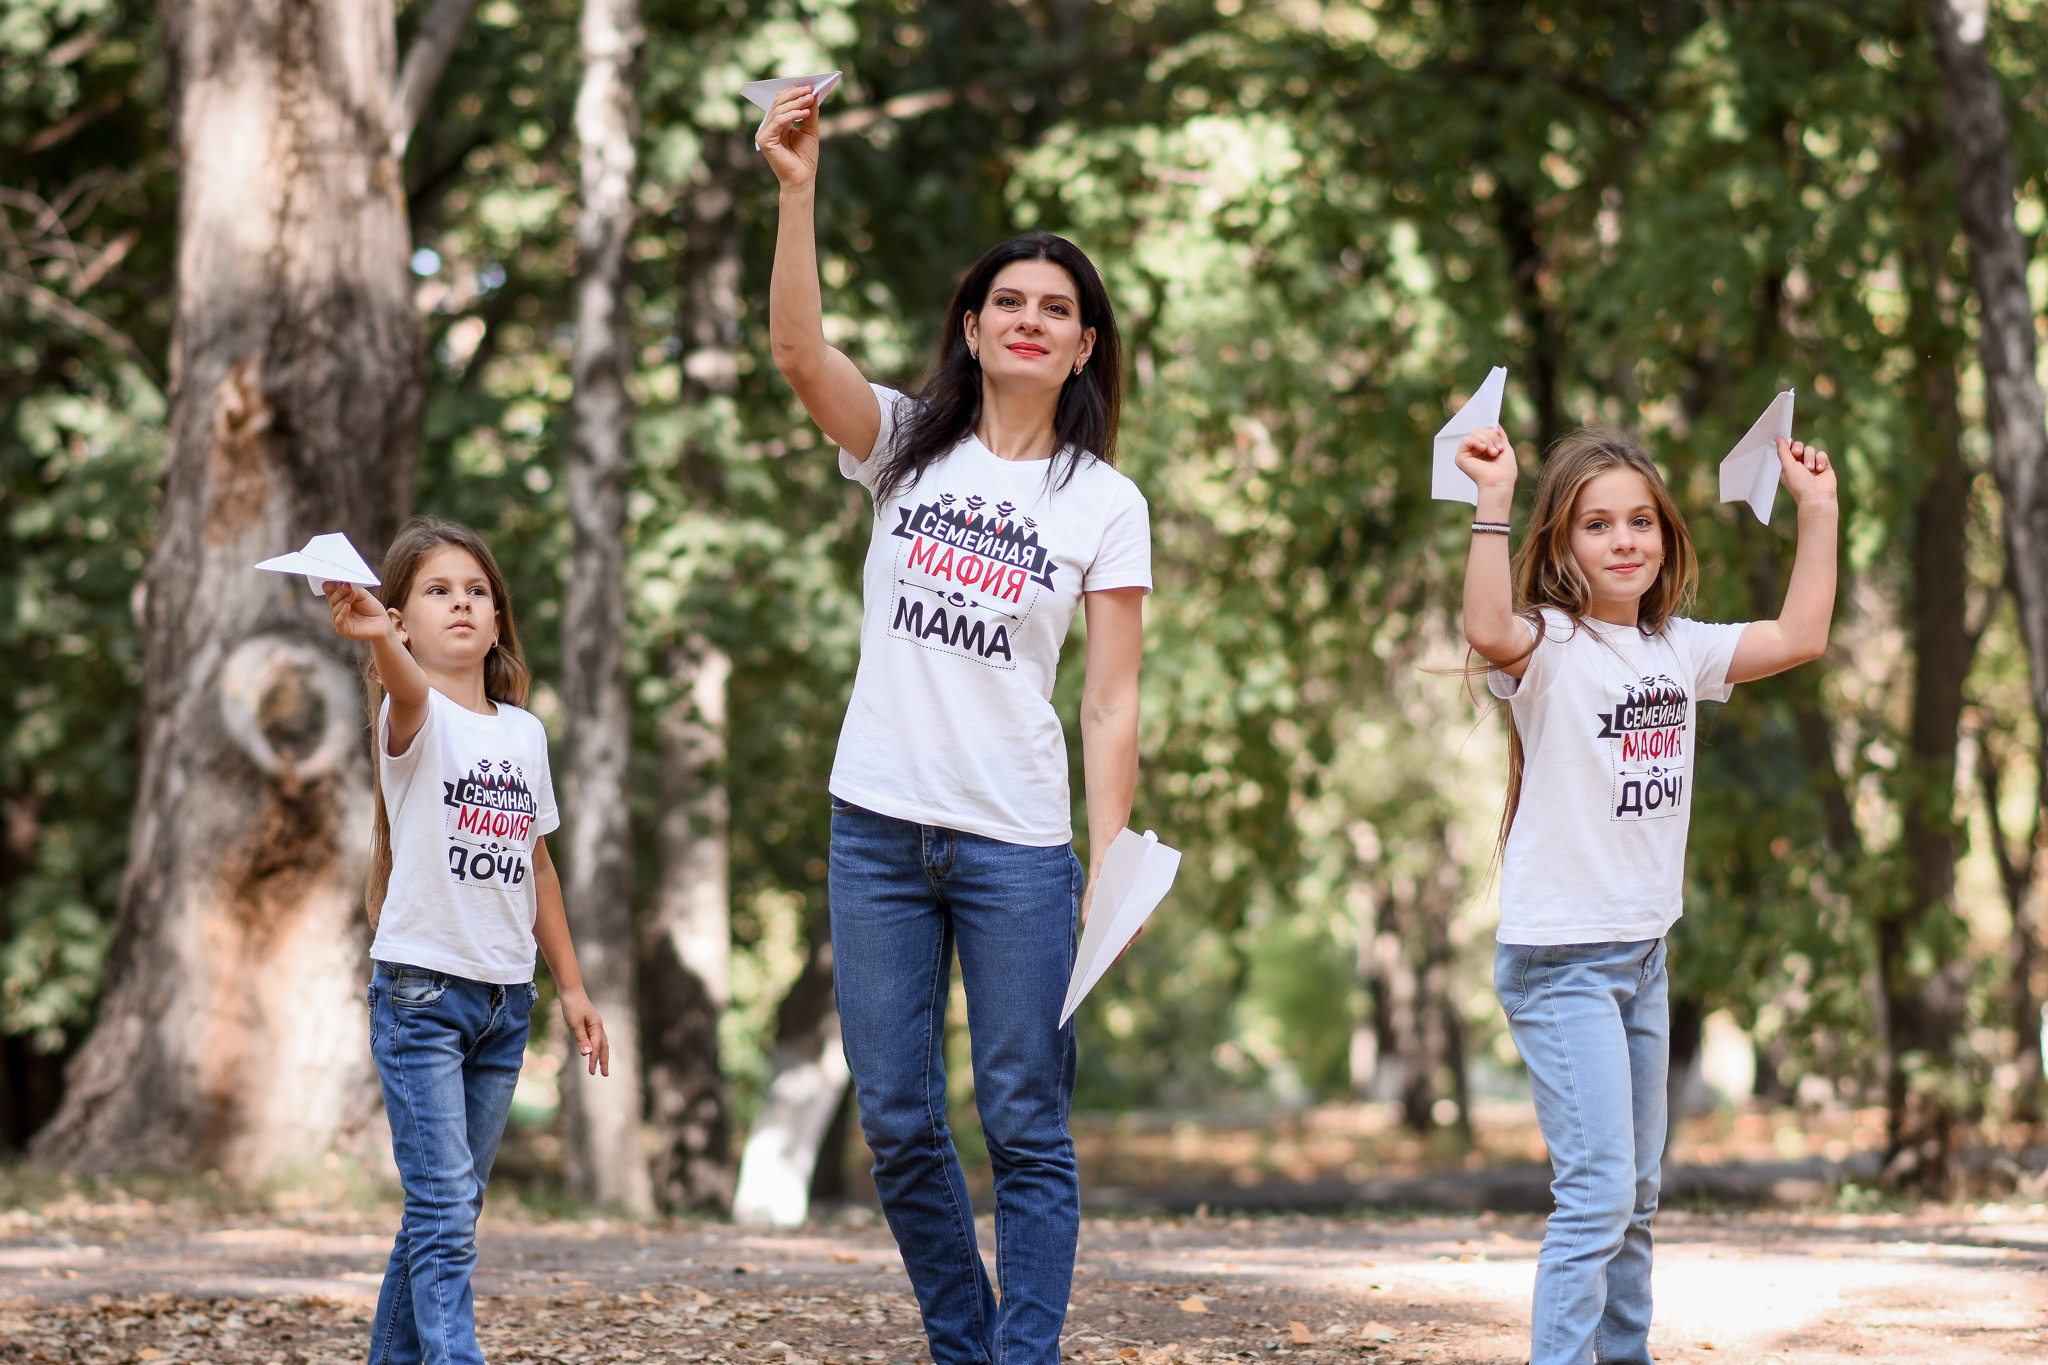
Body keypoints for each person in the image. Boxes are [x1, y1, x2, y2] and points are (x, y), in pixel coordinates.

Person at [756, 83, 1150, 1365]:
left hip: (1019, 847)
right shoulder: (909, 447)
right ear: (972, 329)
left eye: (1057, 310)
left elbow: (1108, 697)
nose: (1031, 322)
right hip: (875, 826)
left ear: (1083, 346)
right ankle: (965, 1345)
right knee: (899, 1121)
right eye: (1010, 304)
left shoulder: (1104, 502)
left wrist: (1108, 862)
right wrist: (798, 192)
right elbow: (799, 357)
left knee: (1028, 1124)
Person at [1455, 423, 1837, 1365]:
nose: (1624, 540)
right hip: (1562, 962)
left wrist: (1818, 510)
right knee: (1596, 1192)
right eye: (1596, 525)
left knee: (1637, 1197)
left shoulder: (1681, 650)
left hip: (1641, 957)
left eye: (1640, 521)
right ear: (1563, 543)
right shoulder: (1547, 646)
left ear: (1664, 534)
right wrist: (1491, 506)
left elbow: (1801, 635)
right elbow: (1485, 628)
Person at [320, 517, 612, 1365]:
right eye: (437, 590)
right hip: (421, 996)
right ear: (403, 619)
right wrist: (377, 638)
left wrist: (573, 987)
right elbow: (405, 688)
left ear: (497, 617)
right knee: (446, 1216)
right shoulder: (409, 716)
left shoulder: (524, 734)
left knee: (445, 1214)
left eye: (476, 590)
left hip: (504, 1000)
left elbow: (540, 871)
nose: (461, 603)